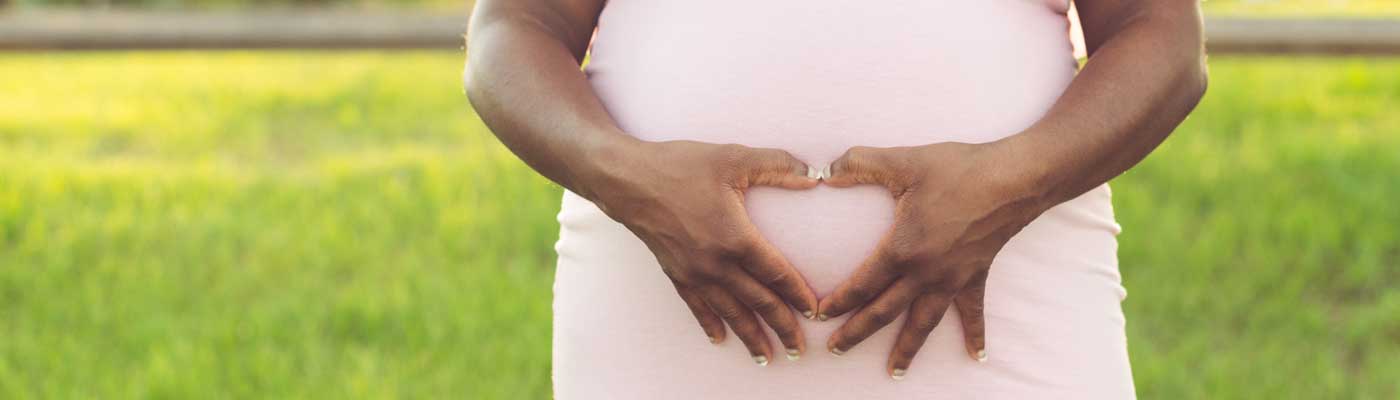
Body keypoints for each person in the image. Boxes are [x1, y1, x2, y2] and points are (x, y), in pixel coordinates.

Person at [465, 0, 1207, 398]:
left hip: (1006, 332)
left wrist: (1010, 183)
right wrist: (624, 175)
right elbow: (512, 29)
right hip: (666, 334)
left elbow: (1163, 35)